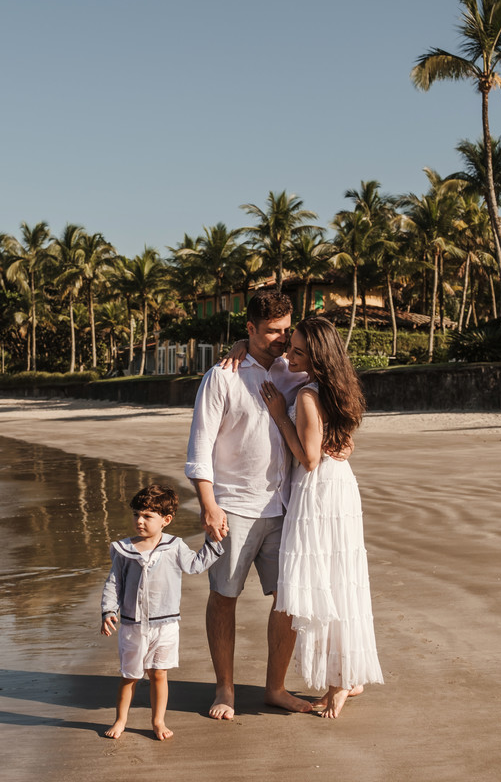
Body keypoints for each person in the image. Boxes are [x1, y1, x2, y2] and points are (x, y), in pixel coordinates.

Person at [185, 290, 312, 720]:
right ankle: (225, 688)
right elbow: (199, 448)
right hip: (233, 506)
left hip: (284, 505)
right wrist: (208, 504)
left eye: (285, 330)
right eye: (272, 331)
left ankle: (274, 687)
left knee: (289, 599)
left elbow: (333, 378)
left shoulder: (293, 371)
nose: (281, 339)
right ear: (250, 329)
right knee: (224, 596)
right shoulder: (222, 376)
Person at [261, 316, 383, 718]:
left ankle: (339, 685)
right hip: (340, 487)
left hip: (318, 496)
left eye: (298, 351)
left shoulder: (309, 396)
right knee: (340, 581)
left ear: (317, 357)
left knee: (325, 583)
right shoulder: (340, 388)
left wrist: (280, 415)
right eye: (290, 346)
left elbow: (309, 459)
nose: (289, 354)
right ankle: (346, 677)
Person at [100, 484, 224, 740]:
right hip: (132, 625)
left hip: (165, 624)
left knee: (159, 674)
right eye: (136, 514)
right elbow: (114, 583)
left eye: (147, 516)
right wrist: (108, 611)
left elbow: (195, 565)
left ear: (166, 520)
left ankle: (158, 721)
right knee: (129, 676)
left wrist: (213, 539)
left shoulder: (174, 546)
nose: (140, 521)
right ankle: (121, 720)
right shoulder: (124, 549)